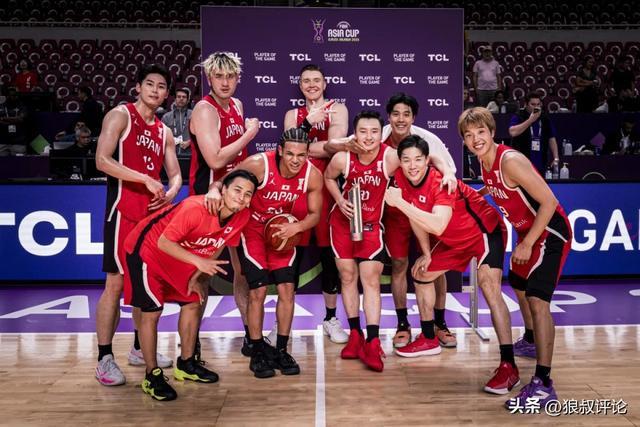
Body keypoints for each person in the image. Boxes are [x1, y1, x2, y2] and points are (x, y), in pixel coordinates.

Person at [385, 135, 517, 396]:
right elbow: (415, 218)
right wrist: (426, 253)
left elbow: (437, 224)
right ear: (400, 162)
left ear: (426, 161)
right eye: (406, 160)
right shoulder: (401, 177)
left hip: (483, 233)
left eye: (418, 160)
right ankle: (428, 338)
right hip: (452, 240)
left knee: (489, 288)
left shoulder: (440, 181)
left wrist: (399, 202)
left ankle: (508, 364)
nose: (412, 165)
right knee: (421, 273)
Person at [324, 111, 456, 373]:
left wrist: (449, 172)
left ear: (380, 132)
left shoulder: (390, 156)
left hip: (371, 225)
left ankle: (373, 341)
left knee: (371, 280)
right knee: (347, 277)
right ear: (355, 134)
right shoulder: (343, 157)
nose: (369, 137)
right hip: (342, 224)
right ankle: (355, 335)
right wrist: (339, 200)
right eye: (363, 131)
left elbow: (430, 157)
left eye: (374, 131)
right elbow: (328, 177)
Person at [459, 107, 573, 409]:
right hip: (528, 232)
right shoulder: (483, 160)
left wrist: (528, 243)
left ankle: (544, 383)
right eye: (469, 135)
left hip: (550, 232)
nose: (476, 139)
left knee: (537, 300)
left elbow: (549, 202)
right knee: (519, 285)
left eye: (481, 132)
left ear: (491, 132)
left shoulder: (509, 160)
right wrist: (479, 193)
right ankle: (532, 340)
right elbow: (497, 186)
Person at [123, 170, 258, 401]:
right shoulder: (195, 208)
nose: (242, 197)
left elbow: (219, 244)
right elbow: (164, 242)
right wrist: (199, 262)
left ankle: (186, 364)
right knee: (152, 311)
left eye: (248, 194)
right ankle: (152, 375)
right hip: (147, 250)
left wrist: (196, 277)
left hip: (179, 256)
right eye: (237, 190)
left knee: (193, 302)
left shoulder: (242, 216)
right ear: (223, 190)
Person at [206, 127, 323, 378]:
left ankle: (281, 349)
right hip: (252, 228)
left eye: (301, 155)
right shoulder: (259, 165)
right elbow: (225, 181)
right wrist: (215, 190)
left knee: (287, 289)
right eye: (290, 154)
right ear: (280, 150)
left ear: (307, 155)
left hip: (282, 229)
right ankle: (257, 349)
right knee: (257, 290)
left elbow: (315, 214)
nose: (295, 160)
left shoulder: (312, 175)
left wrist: (297, 227)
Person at [93, 64, 182, 386]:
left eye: (161, 86)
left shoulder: (164, 131)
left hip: (150, 218)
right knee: (115, 284)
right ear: (138, 87)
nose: (155, 90)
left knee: (142, 285)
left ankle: (137, 348)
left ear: (167, 94)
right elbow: (102, 160)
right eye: (150, 84)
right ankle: (104, 358)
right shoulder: (120, 116)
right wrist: (144, 178)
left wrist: (170, 192)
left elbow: (175, 175)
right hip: (122, 213)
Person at [188, 51, 260, 356]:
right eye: (219, 76)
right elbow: (215, 159)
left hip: (238, 198)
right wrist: (249, 134)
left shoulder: (237, 105)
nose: (225, 82)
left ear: (238, 78)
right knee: (201, 273)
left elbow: (237, 158)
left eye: (230, 76)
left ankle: (250, 336)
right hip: (210, 199)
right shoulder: (204, 110)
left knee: (242, 271)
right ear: (209, 78)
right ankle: (190, 343)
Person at [379, 93, 457, 349]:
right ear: (389, 117)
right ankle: (403, 324)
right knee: (399, 264)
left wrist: (447, 172)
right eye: (396, 114)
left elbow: (444, 164)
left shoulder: (427, 139)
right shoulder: (377, 138)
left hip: (425, 210)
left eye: (406, 114)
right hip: (396, 213)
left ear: (413, 117)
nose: (401, 119)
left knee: (436, 265)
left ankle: (439, 323)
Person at [284, 64, 349, 344]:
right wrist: (308, 124)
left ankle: (331, 318)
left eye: (316, 80)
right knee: (292, 255)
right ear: (300, 86)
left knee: (327, 255)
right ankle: (283, 321)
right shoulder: (293, 114)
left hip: (327, 189)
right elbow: (289, 148)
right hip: (297, 190)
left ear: (324, 84)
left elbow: (335, 145)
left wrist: (301, 147)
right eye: (306, 81)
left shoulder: (338, 109)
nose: (311, 84)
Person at [508, 91, 559, 175]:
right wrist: (530, 120)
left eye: (538, 104)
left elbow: (551, 138)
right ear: (526, 104)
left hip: (540, 161)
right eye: (533, 104)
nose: (536, 107)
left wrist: (556, 157)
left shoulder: (544, 118)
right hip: (521, 162)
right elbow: (512, 132)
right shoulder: (519, 115)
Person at [162, 88, 192, 157]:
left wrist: (190, 142)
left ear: (188, 100)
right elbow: (162, 136)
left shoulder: (194, 115)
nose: (181, 99)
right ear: (175, 99)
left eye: (184, 97)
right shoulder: (166, 117)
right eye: (179, 97)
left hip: (190, 153)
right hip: (171, 154)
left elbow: (200, 134)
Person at [0, 86, 28, 156]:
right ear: (7, 96)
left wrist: (3, 118)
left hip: (19, 142)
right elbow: (17, 119)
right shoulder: (1, 107)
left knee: (20, 162)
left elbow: (20, 119)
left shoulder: (22, 106)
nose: (15, 97)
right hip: (3, 142)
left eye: (15, 95)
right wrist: (15, 120)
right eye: (12, 95)